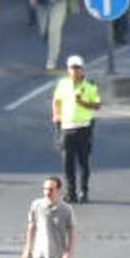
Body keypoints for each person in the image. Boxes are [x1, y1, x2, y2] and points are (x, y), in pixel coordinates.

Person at [52, 56, 100, 201]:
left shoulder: (90, 85)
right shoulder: (63, 84)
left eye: (77, 68)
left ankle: (83, 192)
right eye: (72, 68)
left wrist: (83, 102)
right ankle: (71, 193)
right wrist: (56, 115)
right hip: (66, 128)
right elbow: (56, 100)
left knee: (83, 162)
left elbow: (97, 105)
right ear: (68, 69)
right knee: (68, 163)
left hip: (84, 128)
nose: (75, 71)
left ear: (82, 69)